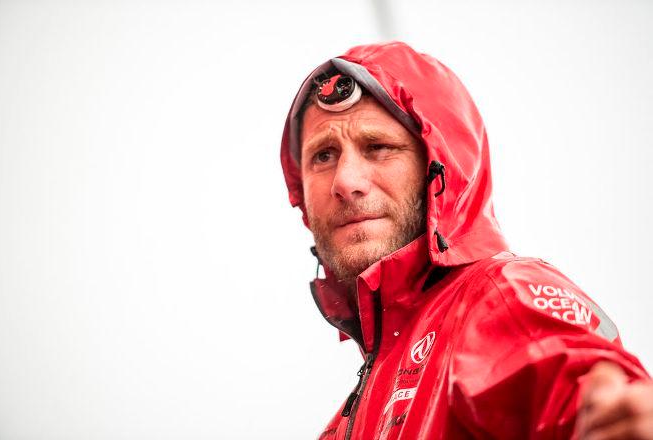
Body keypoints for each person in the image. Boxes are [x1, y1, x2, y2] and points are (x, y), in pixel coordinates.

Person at [280, 42, 653, 439]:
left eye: (378, 148)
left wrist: (619, 418)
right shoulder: (341, 425)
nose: (345, 182)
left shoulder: (497, 297)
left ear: (439, 169)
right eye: (323, 156)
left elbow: (579, 386)